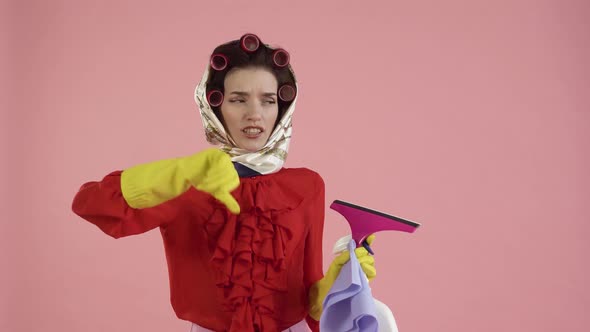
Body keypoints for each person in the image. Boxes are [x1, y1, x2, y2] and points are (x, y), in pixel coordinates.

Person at [71, 33, 376, 332]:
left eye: (268, 101)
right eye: (238, 100)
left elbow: (309, 296)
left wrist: (337, 284)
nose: (254, 115)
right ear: (216, 108)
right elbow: (92, 204)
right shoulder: (188, 182)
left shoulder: (307, 187)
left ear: (281, 110)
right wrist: (180, 173)